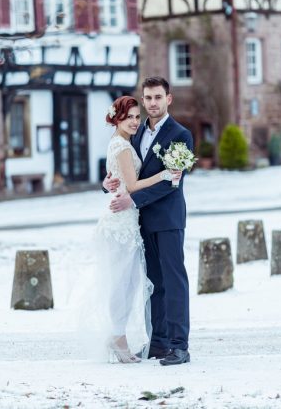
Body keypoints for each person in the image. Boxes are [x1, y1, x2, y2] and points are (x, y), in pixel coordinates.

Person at [104, 77, 193, 366]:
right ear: (143, 101)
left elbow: (172, 183)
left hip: (167, 219)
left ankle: (179, 346)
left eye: (158, 97)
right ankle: (158, 342)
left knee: (174, 280)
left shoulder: (181, 135)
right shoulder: (135, 132)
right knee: (153, 284)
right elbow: (126, 172)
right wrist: (107, 185)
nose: (152, 103)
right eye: (148, 98)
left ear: (169, 99)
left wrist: (133, 200)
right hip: (140, 223)